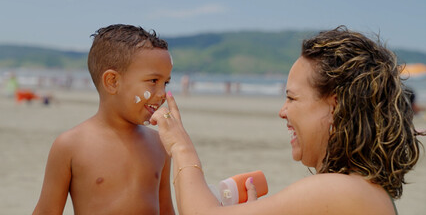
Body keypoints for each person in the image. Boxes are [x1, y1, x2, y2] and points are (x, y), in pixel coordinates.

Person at [150, 26, 423, 215]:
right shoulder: (361, 189)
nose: (282, 111)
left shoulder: (341, 190)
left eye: (292, 98)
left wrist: (181, 147)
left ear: (336, 106)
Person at [33, 24, 175, 214]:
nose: (162, 94)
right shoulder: (71, 145)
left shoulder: (159, 144)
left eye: (165, 83)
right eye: (153, 81)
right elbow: (46, 211)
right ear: (112, 82)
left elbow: (166, 209)